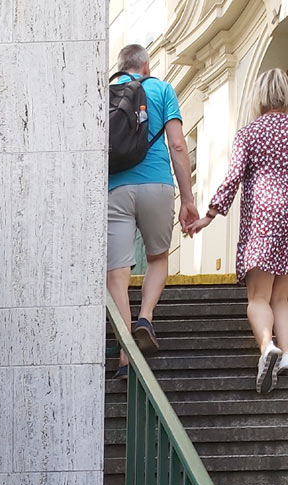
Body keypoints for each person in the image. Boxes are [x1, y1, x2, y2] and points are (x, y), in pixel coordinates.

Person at [187, 68, 288, 394]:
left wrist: (209, 215)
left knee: (258, 297)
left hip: (262, 221)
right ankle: (286, 354)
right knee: (283, 298)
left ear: (258, 96)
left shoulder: (249, 133)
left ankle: (267, 347)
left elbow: (232, 179)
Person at [107, 44, 199, 377]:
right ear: (146, 65)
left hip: (114, 188)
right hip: (157, 184)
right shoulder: (161, 89)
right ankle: (145, 316)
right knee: (158, 257)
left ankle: (125, 353)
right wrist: (188, 199)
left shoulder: (108, 93)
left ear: (121, 66)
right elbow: (176, 144)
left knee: (116, 273)